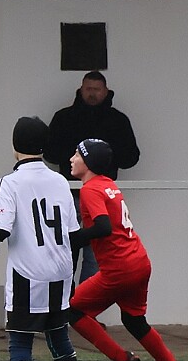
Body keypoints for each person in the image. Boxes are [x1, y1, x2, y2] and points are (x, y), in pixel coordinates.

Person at [0, 117, 85, 361]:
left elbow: (0, 227)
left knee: (20, 342)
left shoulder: (11, 182)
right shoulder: (60, 181)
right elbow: (73, 234)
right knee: (60, 340)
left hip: (28, 274)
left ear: (15, 147)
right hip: (60, 271)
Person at [64, 139, 188, 361]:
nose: (71, 159)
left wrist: (70, 239)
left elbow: (103, 227)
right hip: (139, 261)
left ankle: (122, 358)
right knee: (134, 321)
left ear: (88, 162)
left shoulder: (90, 190)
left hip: (119, 268)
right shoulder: (109, 184)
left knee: (72, 310)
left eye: (77, 154)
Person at [45, 71, 140, 284]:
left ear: (106, 91)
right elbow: (50, 153)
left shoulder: (117, 121)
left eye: (96, 89)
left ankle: (84, 303)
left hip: (101, 196)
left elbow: (131, 157)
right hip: (69, 195)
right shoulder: (64, 118)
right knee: (64, 253)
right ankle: (64, 302)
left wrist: (106, 157)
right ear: (81, 90)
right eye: (88, 89)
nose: (92, 94)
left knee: (96, 256)